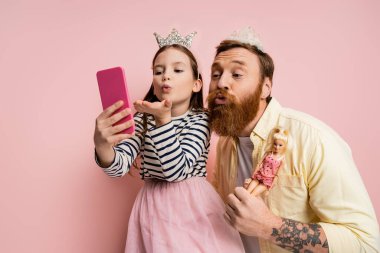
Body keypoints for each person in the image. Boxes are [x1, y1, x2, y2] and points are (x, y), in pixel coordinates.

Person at [208, 27, 379, 252]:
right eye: (216, 74)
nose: (221, 83)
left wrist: (268, 226)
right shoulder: (225, 144)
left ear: (265, 87)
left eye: (237, 74)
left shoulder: (314, 139)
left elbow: (366, 243)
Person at [94, 29, 244, 253]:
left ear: (196, 84)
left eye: (178, 69)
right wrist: (103, 145)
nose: (166, 76)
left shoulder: (201, 119)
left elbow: (176, 170)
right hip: (153, 209)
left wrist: (163, 121)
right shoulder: (143, 119)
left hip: (194, 207)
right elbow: (118, 167)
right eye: (158, 71)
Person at [244, 127, 289, 196]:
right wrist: (251, 177)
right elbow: (259, 164)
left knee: (252, 195)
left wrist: (269, 189)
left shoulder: (282, 159)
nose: (277, 147)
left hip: (267, 181)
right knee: (247, 192)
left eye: (280, 145)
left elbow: (277, 175)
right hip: (259, 175)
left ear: (284, 146)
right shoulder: (268, 153)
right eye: (275, 144)